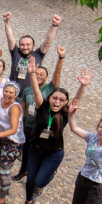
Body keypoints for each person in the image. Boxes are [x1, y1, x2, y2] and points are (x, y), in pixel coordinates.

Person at [20, 56, 91, 204]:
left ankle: (51, 172)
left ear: (65, 102)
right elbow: (36, 89)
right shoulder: (42, 106)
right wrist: (31, 73)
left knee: (39, 181)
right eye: (54, 98)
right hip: (36, 149)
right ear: (50, 98)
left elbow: (76, 101)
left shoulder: (66, 114)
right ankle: (28, 202)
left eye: (61, 99)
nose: (57, 101)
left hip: (54, 153)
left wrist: (83, 86)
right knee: (30, 180)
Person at [14, 47, 66, 181]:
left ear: (47, 77)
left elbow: (58, 73)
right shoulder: (27, 90)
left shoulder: (50, 88)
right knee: (26, 150)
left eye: (42, 74)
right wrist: (22, 124)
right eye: (36, 74)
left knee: (40, 151)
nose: (38, 76)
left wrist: (61, 58)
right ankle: (23, 170)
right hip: (28, 126)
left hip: (43, 127)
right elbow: (24, 108)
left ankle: (42, 173)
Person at [4, 12, 62, 94]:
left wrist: (55, 25)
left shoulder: (38, 54)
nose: (25, 47)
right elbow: (10, 38)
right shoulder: (15, 53)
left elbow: (47, 42)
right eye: (22, 45)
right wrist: (7, 21)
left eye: (28, 45)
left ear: (33, 46)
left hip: (30, 95)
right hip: (13, 95)